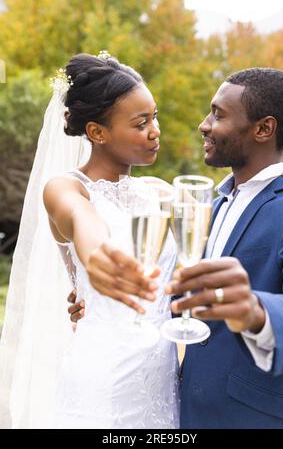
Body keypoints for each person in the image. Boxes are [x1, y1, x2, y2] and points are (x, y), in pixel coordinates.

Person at [0, 53, 179, 429]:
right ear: (97, 132)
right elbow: (81, 219)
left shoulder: (160, 193)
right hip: (103, 381)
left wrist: (282, 181)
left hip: (163, 379)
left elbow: (228, 219)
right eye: (140, 122)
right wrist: (98, 254)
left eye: (155, 116)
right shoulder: (65, 189)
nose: (155, 130)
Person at [166, 67, 283, 428]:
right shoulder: (212, 205)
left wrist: (257, 311)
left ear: (263, 129)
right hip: (189, 413)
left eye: (218, 114)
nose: (204, 125)